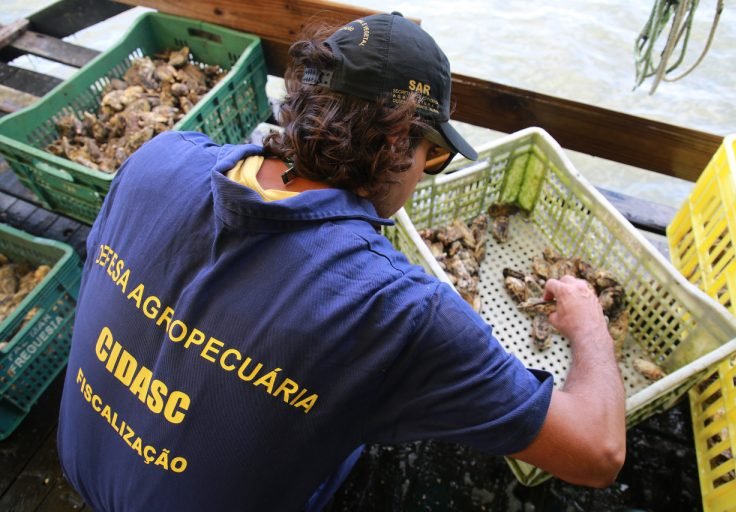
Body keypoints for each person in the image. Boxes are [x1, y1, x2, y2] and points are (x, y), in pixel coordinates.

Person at [57, 12, 625, 512]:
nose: (428, 172)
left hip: (80, 464)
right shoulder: (401, 309)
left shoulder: (159, 156)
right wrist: (589, 325)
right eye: (437, 156)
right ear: (402, 142)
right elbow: (598, 454)